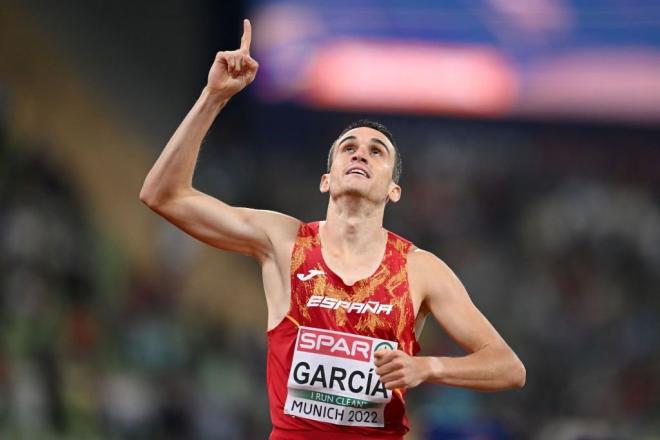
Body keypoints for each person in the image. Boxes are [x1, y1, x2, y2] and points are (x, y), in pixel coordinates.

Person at [140, 19, 525, 440]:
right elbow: (164, 195)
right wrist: (213, 97)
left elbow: (507, 366)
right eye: (348, 147)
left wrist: (426, 366)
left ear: (393, 190)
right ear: (327, 179)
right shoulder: (283, 241)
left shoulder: (420, 270)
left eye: (376, 151)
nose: (360, 153)